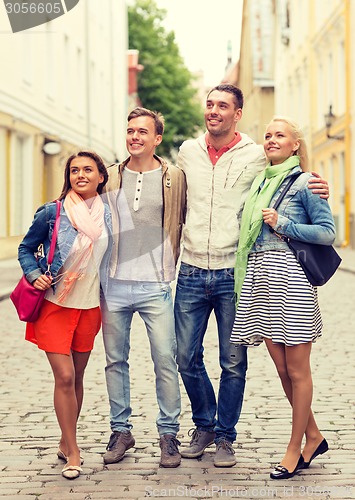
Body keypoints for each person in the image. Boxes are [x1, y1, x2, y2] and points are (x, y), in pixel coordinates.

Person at [174, 84, 329, 467]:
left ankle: (230, 437)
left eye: (222, 105)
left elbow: (306, 198)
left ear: (237, 113)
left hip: (243, 273)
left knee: (236, 361)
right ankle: (208, 424)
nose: (214, 111)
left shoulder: (258, 157)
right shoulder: (188, 153)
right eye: (209, 104)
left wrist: (316, 185)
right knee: (186, 356)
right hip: (203, 269)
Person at [230, 116, 333, 479]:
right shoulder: (260, 181)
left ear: (295, 146)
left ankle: (295, 449)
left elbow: (326, 232)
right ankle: (314, 436)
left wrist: (283, 224)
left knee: (297, 369)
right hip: (260, 278)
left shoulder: (306, 182)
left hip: (290, 280)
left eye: (280, 135)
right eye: (268, 134)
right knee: (281, 368)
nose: (272, 139)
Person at [100, 107, 186, 468]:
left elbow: (189, 216)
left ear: (157, 139)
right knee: (115, 361)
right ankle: (121, 430)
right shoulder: (109, 176)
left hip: (155, 285)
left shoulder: (176, 177)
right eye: (130, 130)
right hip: (114, 284)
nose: (134, 137)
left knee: (165, 359)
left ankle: (169, 434)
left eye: (142, 132)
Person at [18, 151, 112, 480]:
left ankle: (64, 437)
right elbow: (25, 248)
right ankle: (73, 451)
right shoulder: (53, 212)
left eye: (88, 170)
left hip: (88, 308)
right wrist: (33, 275)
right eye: (74, 170)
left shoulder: (111, 216)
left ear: (101, 176)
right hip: (54, 306)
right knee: (66, 377)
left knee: (79, 378)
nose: (80, 175)